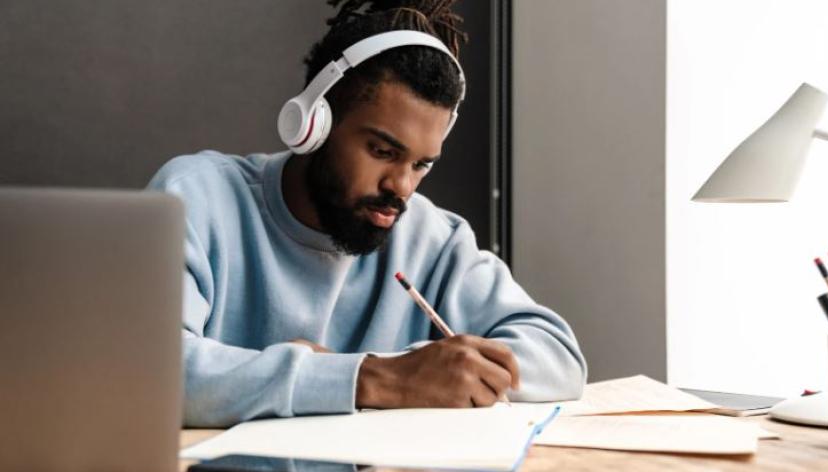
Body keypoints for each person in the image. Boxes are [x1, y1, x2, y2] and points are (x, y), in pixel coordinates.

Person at [148, 0, 586, 428]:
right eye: (382, 151)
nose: (402, 187)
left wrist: (404, 370)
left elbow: (558, 357)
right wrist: (376, 379)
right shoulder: (195, 197)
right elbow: (149, 368)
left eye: (421, 164)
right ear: (312, 124)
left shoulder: (434, 240)